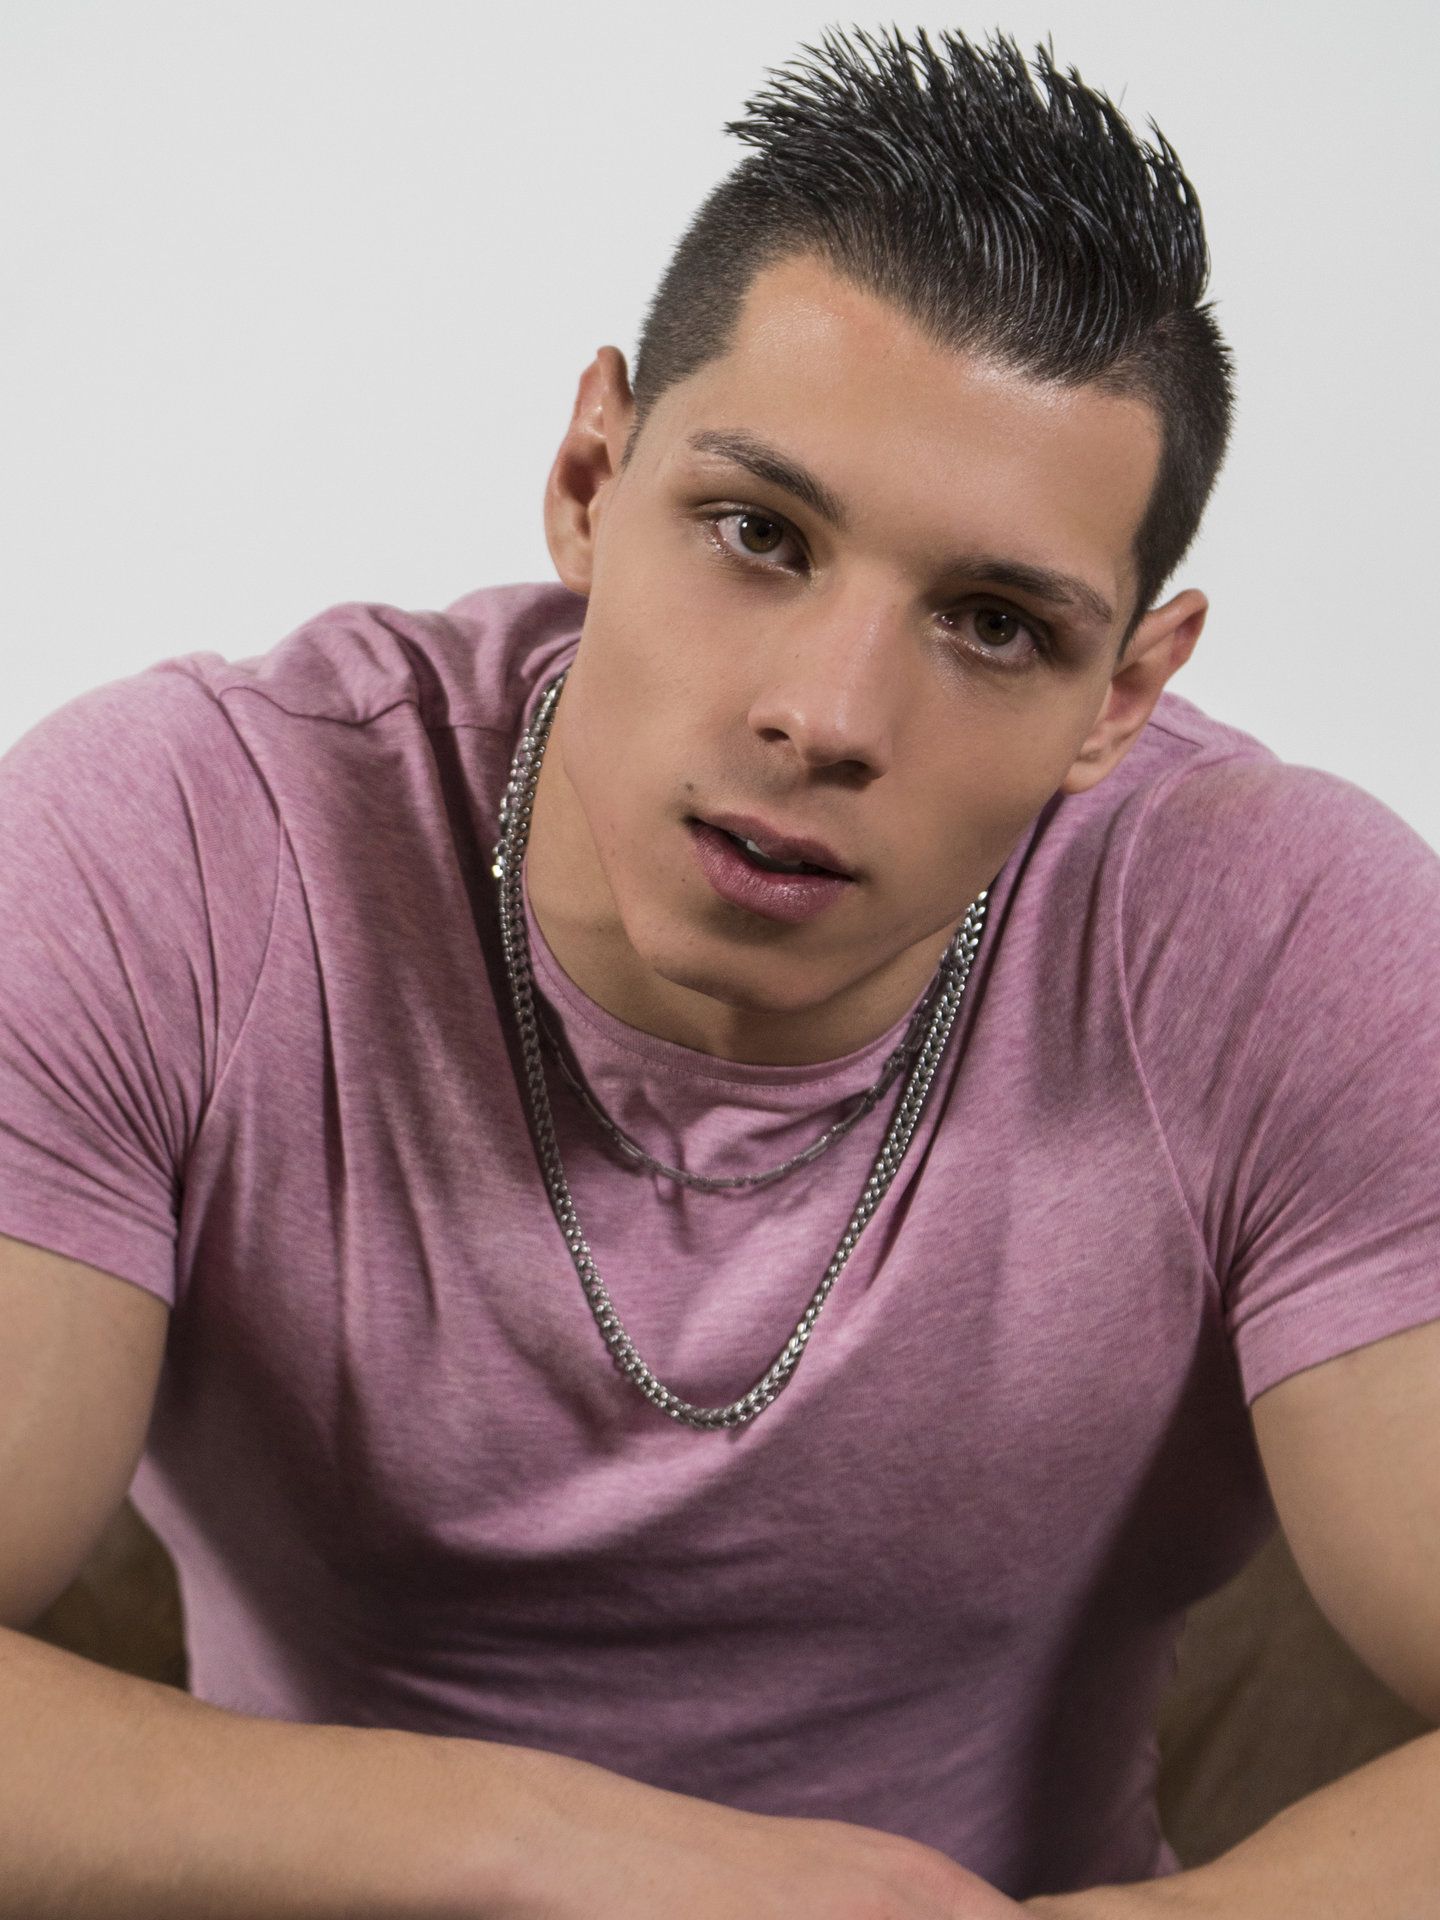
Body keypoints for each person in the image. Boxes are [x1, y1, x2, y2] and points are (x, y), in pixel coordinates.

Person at [1, 25, 1438, 1917]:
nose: (827, 717)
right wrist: (553, 1853)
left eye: (994, 625)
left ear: (1125, 690)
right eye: (759, 534)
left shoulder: (1276, 933)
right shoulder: (184, 849)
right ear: (592, 475)